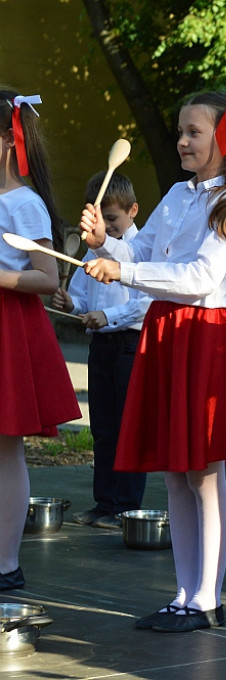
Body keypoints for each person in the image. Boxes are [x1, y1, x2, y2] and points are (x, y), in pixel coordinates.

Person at [79, 82, 226, 632]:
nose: (183, 141)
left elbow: (202, 278)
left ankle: (208, 598)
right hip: (166, 331)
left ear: (223, 136)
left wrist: (126, 271)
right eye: (181, 131)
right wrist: (104, 245)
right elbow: (138, 252)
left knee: (204, 474)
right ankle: (184, 593)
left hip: (205, 335)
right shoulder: (176, 195)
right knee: (175, 474)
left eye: (194, 132)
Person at [0, 89, 81, 591]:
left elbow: (47, 278)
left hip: (9, 328)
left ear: (8, 142)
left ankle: (6, 562)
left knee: (5, 449)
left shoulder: (25, 204)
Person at [54, 171, 150, 530]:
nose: (106, 227)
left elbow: (147, 304)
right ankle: (105, 502)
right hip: (102, 346)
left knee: (129, 427)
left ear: (133, 211)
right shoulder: (95, 248)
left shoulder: (142, 251)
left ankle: (126, 505)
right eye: (100, 219)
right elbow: (83, 296)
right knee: (104, 427)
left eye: (112, 219)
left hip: (130, 345)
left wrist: (106, 315)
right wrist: (71, 304)